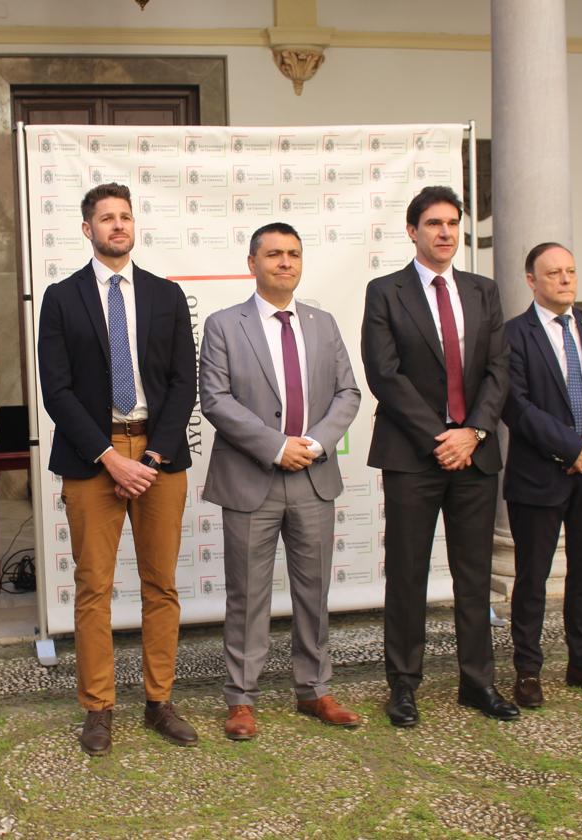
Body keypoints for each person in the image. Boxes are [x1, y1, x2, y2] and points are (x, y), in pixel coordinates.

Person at [37, 182, 198, 756]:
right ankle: (98, 709)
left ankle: (159, 702)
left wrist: (151, 457)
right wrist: (108, 457)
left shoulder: (166, 295)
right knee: (93, 588)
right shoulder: (61, 298)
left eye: (125, 216)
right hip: (92, 458)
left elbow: (185, 383)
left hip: (159, 457)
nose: (117, 226)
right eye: (106, 218)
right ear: (88, 230)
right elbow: (55, 390)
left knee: (161, 585)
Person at [361, 185, 518, 726]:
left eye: (453, 223)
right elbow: (386, 374)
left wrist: (472, 432)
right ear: (412, 231)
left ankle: (478, 683)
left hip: (475, 455)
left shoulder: (483, 291)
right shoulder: (386, 291)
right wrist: (441, 436)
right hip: (413, 455)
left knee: (473, 576)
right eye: (433, 223)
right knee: (407, 574)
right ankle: (403, 686)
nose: (445, 232)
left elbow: (499, 370)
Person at [199, 222, 363, 740]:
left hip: (314, 476)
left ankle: (314, 689)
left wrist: (312, 444)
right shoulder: (225, 325)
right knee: (246, 594)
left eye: (293, 254)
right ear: (253, 263)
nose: (285, 262)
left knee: (313, 591)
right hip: (251, 479)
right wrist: (276, 446)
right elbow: (216, 400)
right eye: (273, 254)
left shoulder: (323, 322)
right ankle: (241, 698)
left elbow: (348, 394)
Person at [502, 242, 582, 708]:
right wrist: (572, 448)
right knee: (532, 576)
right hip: (539, 476)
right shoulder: (514, 335)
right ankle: (528, 670)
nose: (565, 280)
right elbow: (516, 407)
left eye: (571, 271)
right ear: (531, 280)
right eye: (553, 273)